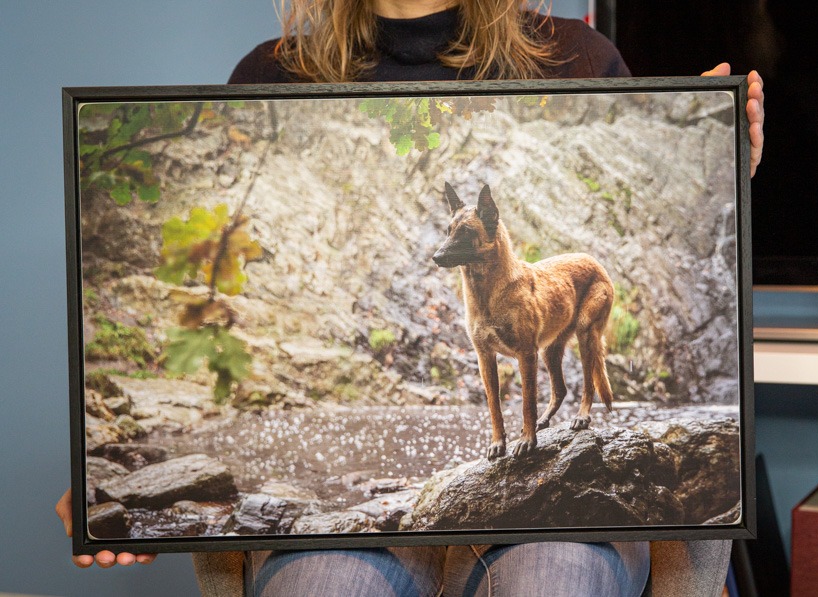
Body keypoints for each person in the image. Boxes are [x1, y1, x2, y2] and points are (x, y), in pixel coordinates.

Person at [58, 1, 765, 594]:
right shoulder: (273, 74)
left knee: (553, 573)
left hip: (560, 517)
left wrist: (721, 156)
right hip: (362, 527)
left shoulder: (578, 59)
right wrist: (125, 500)